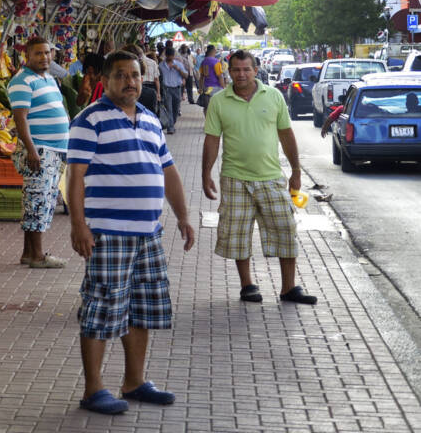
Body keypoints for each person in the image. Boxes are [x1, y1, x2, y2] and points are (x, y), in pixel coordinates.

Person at [66, 50, 195, 415]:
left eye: (135, 75)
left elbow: (168, 172)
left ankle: (134, 381)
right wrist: (79, 225)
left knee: (141, 309)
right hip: (108, 232)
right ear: (105, 80)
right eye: (121, 75)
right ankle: (94, 390)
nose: (130, 82)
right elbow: (75, 176)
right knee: (101, 309)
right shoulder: (89, 120)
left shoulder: (151, 120)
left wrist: (183, 216)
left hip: (148, 233)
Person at [202, 50, 317, 306]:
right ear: (229, 71)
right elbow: (212, 139)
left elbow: (287, 135)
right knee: (238, 234)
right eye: (236, 70)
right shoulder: (219, 101)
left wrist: (296, 172)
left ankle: (289, 288)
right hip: (234, 178)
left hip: (271, 177)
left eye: (246, 69)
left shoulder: (274, 96)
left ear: (256, 70)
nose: (241, 74)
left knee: (286, 230)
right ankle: (247, 285)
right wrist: (205, 173)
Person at [7, 38, 72, 268]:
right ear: (27, 56)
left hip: (54, 150)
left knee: (42, 200)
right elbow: (20, 118)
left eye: (47, 53)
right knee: (38, 201)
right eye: (38, 54)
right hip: (40, 150)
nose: (44, 57)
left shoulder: (49, 79)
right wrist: (32, 150)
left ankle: (28, 252)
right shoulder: (22, 81)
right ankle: (38, 256)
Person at [157, 45, 184, 134]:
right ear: (166, 56)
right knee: (169, 108)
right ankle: (170, 128)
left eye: (171, 56)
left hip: (177, 89)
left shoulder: (178, 64)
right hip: (166, 89)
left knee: (176, 109)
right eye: (168, 56)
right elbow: (159, 78)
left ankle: (172, 122)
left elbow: (186, 75)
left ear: (173, 56)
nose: (170, 58)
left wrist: (178, 69)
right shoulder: (161, 66)